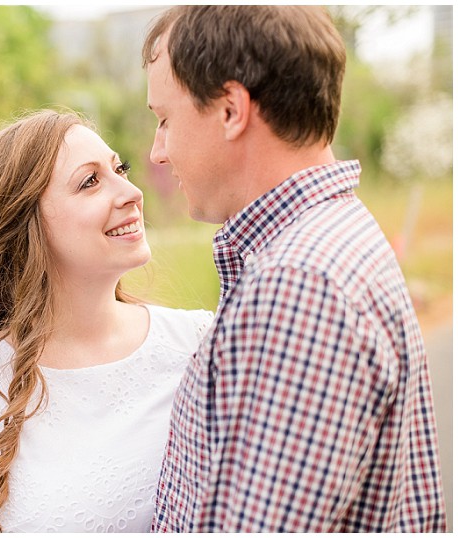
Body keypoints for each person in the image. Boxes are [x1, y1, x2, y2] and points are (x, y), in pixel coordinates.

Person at [141, 5, 446, 532]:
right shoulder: (328, 241)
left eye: (165, 119)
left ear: (232, 109)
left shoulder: (299, 287)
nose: (158, 150)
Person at [0, 108, 213, 532]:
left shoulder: (201, 341)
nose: (130, 192)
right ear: (27, 226)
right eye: (90, 182)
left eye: (119, 169)